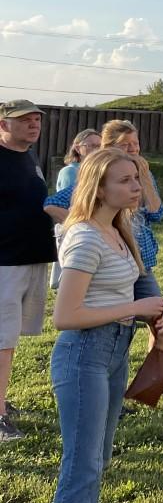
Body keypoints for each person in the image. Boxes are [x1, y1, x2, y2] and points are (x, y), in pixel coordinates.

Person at [47, 148, 163, 503]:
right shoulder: (84, 236)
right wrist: (136, 306)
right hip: (84, 353)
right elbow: (65, 315)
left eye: (136, 178)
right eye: (125, 181)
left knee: (98, 453)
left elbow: (134, 282)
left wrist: (152, 314)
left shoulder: (120, 228)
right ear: (99, 187)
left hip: (115, 347)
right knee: (82, 460)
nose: (136, 187)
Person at [99, 119, 163, 399]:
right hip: (112, 264)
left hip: (142, 265)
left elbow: (156, 213)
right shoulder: (98, 173)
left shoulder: (142, 172)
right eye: (125, 145)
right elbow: (56, 203)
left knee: (162, 323)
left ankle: (154, 386)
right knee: (115, 330)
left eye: (135, 143)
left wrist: (143, 175)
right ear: (109, 147)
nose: (132, 149)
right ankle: (107, 391)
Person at [0, 100, 58, 442]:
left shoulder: (29, 156)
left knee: (11, 339)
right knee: (2, 340)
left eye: (36, 119)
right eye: (24, 120)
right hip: (5, 261)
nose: (34, 124)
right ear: (4, 124)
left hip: (32, 257)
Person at [48, 129, 102, 290]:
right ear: (78, 148)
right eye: (91, 145)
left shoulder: (99, 169)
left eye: (99, 145)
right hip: (75, 226)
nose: (96, 149)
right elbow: (71, 204)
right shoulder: (70, 171)